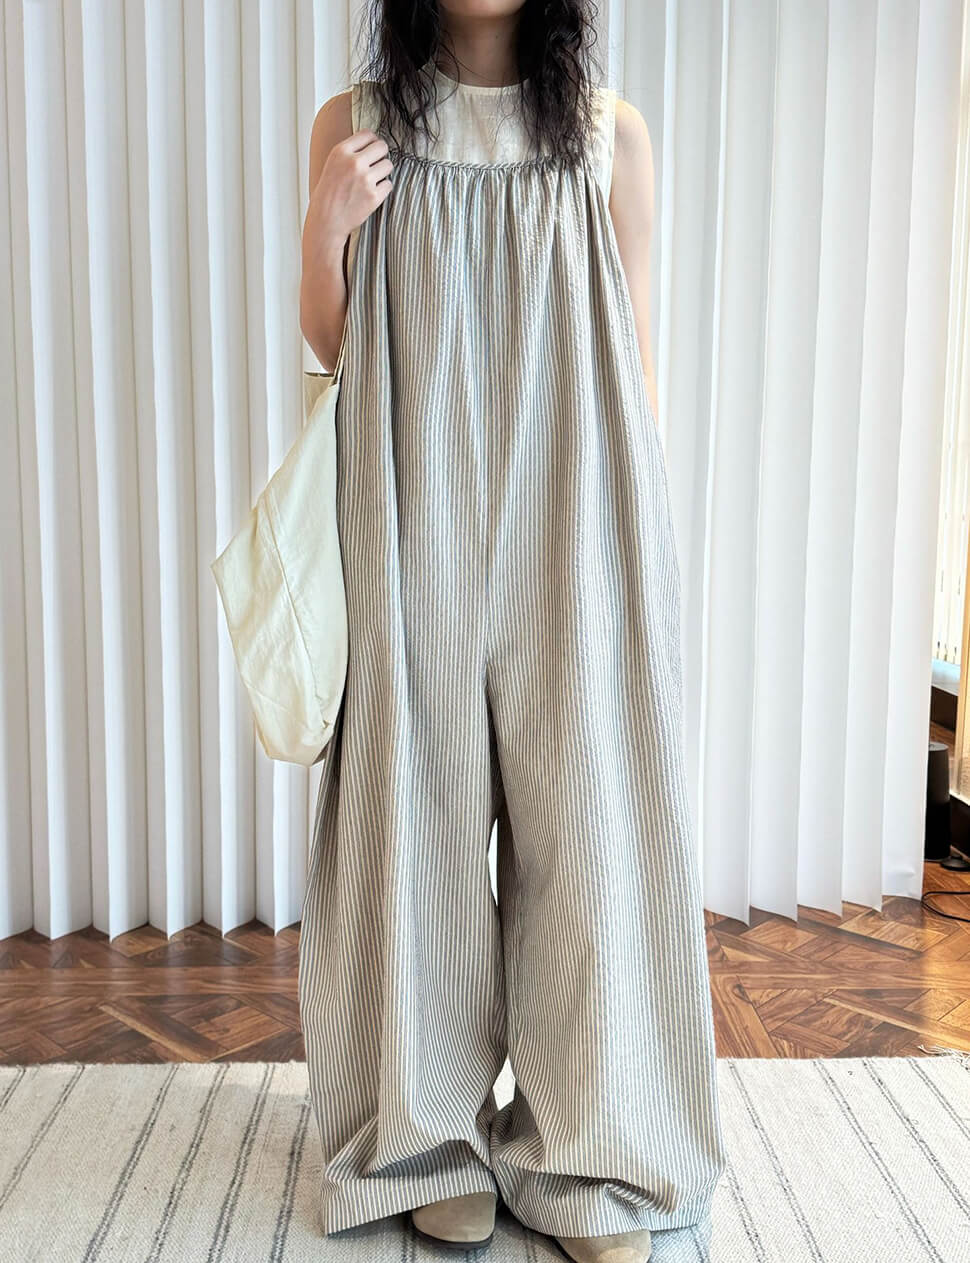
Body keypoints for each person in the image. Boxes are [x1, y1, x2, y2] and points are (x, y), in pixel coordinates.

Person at [297, 4, 728, 1261]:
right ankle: (424, 1139)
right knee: (413, 813)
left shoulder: (606, 139)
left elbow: (633, 360)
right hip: (407, 503)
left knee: (590, 824)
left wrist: (633, 552)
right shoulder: (355, 129)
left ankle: (591, 1153)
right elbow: (332, 343)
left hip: (578, 511)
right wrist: (326, 225)